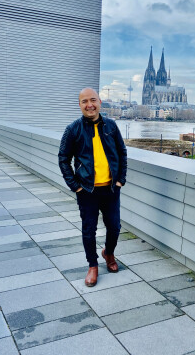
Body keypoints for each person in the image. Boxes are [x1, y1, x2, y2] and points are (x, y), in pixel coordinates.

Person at [58, 88, 127, 287]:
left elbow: (122, 153)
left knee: (114, 227)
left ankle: (109, 253)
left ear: (100, 102)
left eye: (93, 100)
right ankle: (93, 265)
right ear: (79, 105)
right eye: (85, 101)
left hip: (111, 189)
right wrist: (75, 186)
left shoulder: (111, 126)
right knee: (89, 230)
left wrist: (120, 179)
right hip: (87, 190)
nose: (90, 104)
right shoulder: (73, 129)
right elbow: (64, 159)